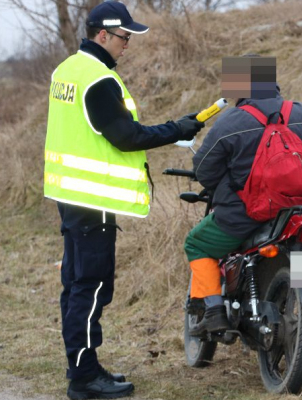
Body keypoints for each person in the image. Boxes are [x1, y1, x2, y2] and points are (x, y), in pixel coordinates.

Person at [43, 2, 205, 398]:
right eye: (124, 37)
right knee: (92, 286)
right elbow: (126, 136)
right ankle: (83, 379)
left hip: (70, 194)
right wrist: (177, 130)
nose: (127, 45)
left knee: (77, 284)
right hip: (91, 199)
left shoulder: (66, 70)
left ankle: (85, 365)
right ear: (103, 35)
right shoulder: (98, 80)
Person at [183, 56, 302, 370]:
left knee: (197, 244)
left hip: (244, 215)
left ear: (240, 87)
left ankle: (215, 310)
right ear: (271, 81)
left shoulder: (232, 121)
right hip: (299, 212)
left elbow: (204, 171)